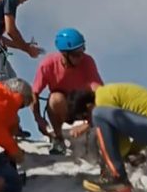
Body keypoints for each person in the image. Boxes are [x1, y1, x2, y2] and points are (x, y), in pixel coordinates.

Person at [32, 28, 103, 156]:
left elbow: (100, 91)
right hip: (63, 108)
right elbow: (34, 94)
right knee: (55, 98)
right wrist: (38, 119)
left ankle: (94, 137)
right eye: (76, 54)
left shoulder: (87, 61)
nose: (81, 57)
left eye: (83, 50)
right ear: (64, 54)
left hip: (83, 108)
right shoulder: (47, 65)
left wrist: (89, 122)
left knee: (98, 99)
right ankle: (58, 139)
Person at [78, 83, 147, 192]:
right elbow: (141, 129)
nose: (88, 122)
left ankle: (118, 178)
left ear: (88, 106)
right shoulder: (108, 92)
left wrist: (107, 162)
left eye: (85, 117)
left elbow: (122, 144)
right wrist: (133, 151)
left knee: (98, 115)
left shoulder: (101, 99)